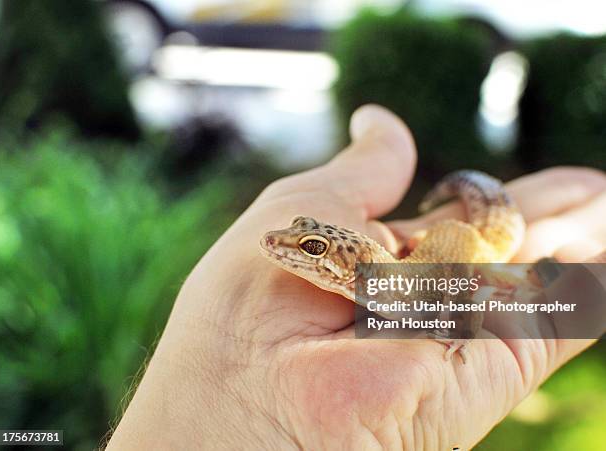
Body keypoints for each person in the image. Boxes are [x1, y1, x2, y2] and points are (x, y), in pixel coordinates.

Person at [107, 105, 606, 450]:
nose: (278, 245)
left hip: (468, 250)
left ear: (343, 263)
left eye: (311, 248)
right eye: (304, 239)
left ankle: (480, 200)